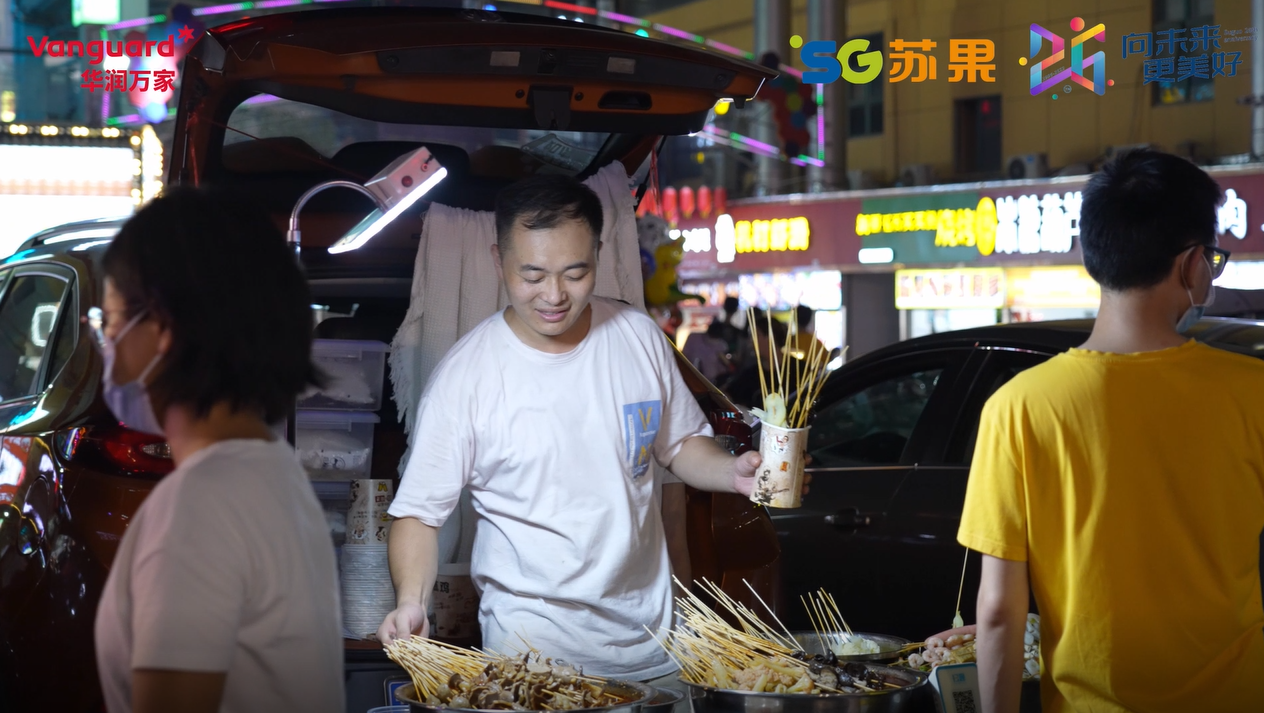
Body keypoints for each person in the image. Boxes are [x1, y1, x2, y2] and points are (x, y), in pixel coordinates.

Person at [377, 174, 791, 692]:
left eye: (575, 273)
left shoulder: (636, 336)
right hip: (532, 658)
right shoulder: (467, 377)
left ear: (597, 252)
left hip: (657, 650)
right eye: (532, 275)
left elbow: (681, 444)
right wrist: (411, 602)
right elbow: (419, 513)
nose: (554, 295)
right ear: (498, 260)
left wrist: (732, 473)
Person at [959, 149, 1264, 713]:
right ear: (1192, 264)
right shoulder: (1254, 392)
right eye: (1213, 259)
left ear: (1094, 257)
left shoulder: (1016, 408)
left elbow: (999, 611)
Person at [92, 188, 343, 713]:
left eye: (109, 319)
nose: (107, 343)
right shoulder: (274, 470)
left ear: (163, 327)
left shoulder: (199, 505)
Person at [682, 318, 732, 383]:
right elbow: (684, 356)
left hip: (711, 383)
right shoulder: (693, 338)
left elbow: (725, 368)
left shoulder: (721, 346)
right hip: (689, 378)